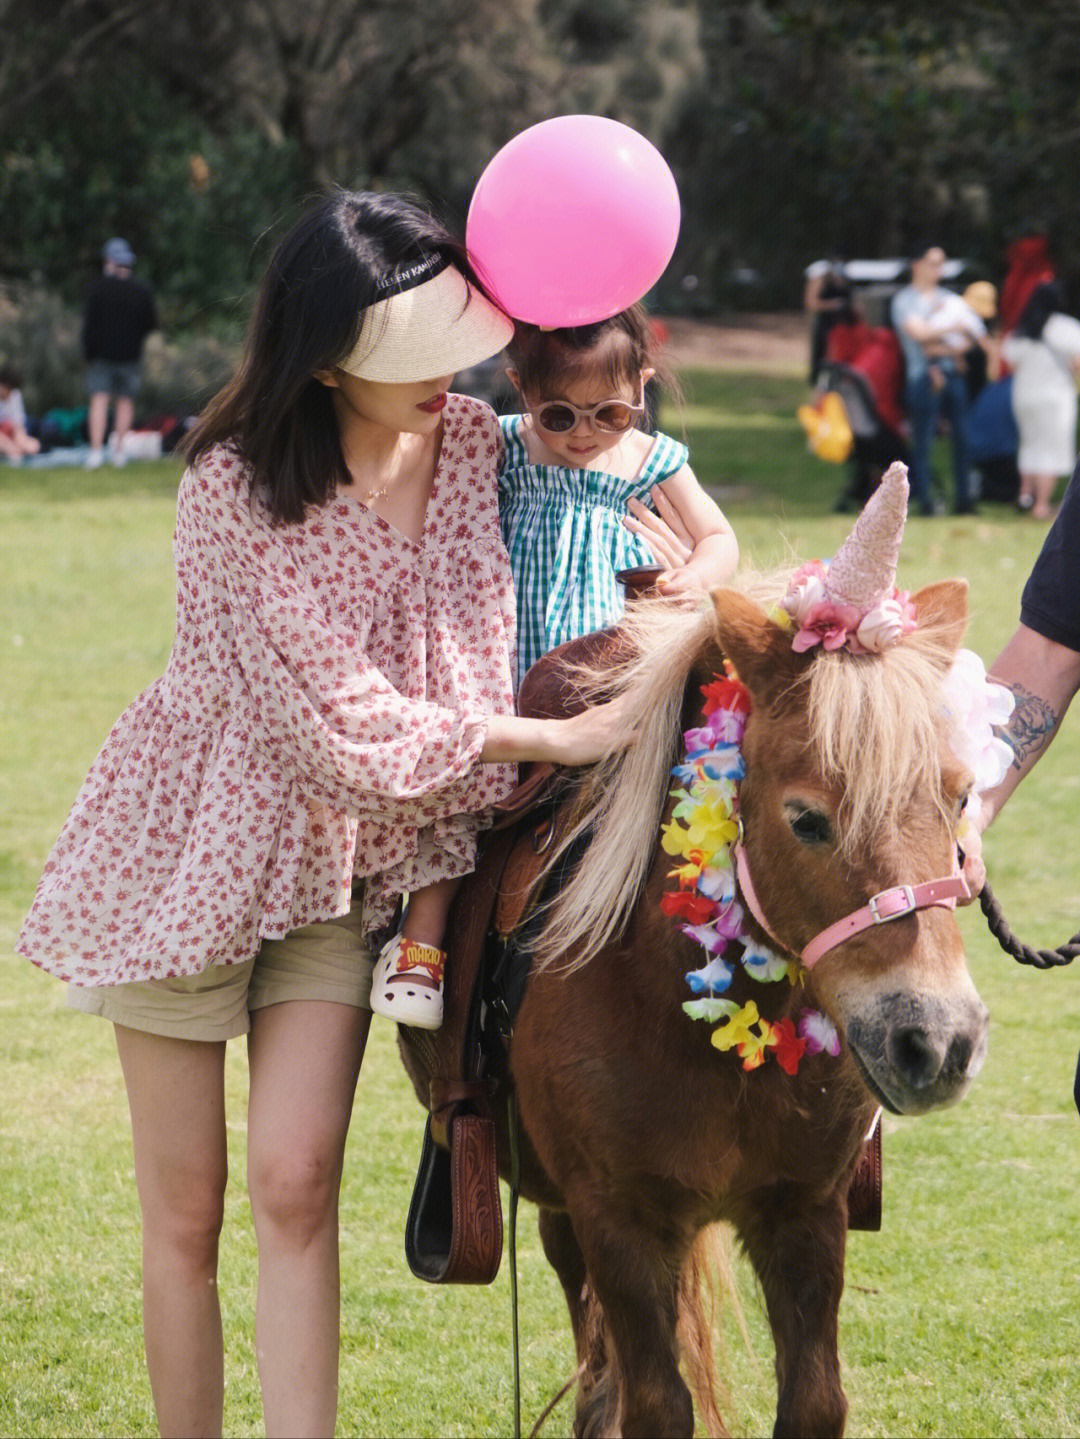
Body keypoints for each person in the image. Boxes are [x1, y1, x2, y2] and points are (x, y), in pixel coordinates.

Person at [16, 190, 636, 1439]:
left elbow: (472, 635)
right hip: (192, 849)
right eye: (409, 354)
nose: (445, 375)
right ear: (320, 346)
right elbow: (334, 725)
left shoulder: (467, 444)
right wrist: (540, 736)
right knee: (185, 1213)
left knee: (298, 1185)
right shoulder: (230, 489)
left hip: (355, 868)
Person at [497, 305, 740, 679]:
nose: (583, 433)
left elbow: (718, 536)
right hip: (516, 657)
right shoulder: (508, 445)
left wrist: (696, 576)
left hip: (620, 663)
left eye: (609, 414)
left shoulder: (652, 461)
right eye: (559, 416)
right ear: (523, 389)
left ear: (641, 386)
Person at [892, 245, 982, 516]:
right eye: (933, 263)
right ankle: (925, 501)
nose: (938, 269)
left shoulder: (948, 297)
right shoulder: (904, 300)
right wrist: (953, 329)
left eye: (942, 263)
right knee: (923, 440)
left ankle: (964, 500)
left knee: (963, 437)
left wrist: (939, 341)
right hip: (923, 377)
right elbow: (918, 336)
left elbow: (969, 339)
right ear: (916, 265)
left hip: (952, 375)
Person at [1001, 280, 1080, 519]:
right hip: (1055, 397)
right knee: (1052, 450)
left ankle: (1026, 496)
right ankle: (1042, 505)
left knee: (1029, 445)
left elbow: (1009, 361)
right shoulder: (1066, 327)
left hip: (1024, 397)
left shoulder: (1022, 330)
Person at [82, 237, 158, 469]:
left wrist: (89, 354)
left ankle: (96, 452)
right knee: (125, 403)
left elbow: (89, 327)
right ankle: (118, 452)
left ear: (109, 261)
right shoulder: (141, 290)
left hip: (101, 358)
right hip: (131, 357)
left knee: (99, 401)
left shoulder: (99, 289)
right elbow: (151, 324)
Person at [804, 256, 852, 384]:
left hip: (841, 326)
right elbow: (811, 303)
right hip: (824, 325)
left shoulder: (843, 277)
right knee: (821, 357)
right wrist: (835, 305)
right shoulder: (822, 276)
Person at [0, 365, 41, 459]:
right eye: (8, 390)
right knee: (11, 450)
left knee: (34, 446)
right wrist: (9, 446)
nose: (9, 394)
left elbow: (19, 426)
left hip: (10, 436)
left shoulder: (15, 395)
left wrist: (20, 442)